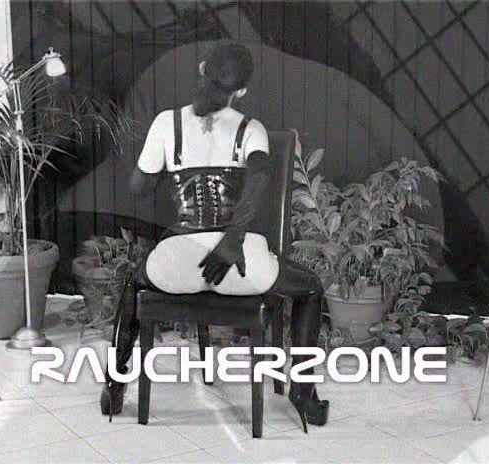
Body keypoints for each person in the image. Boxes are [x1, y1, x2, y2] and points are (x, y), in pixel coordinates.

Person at [101, 42, 329, 433]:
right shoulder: (250, 129)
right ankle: (304, 393)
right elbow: (260, 177)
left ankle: (115, 386)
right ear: (242, 89)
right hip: (238, 266)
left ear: (202, 68)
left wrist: (164, 161)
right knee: (310, 288)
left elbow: (139, 188)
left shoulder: (166, 124)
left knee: (133, 282)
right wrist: (231, 240)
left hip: (178, 263)